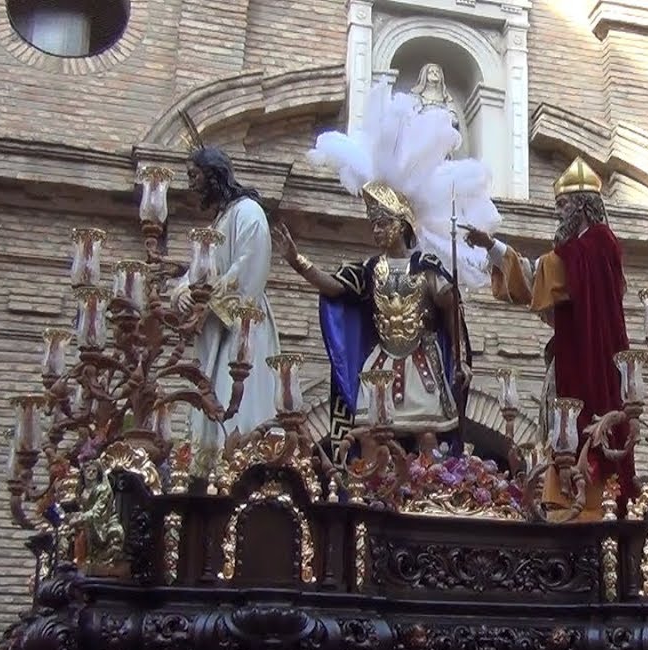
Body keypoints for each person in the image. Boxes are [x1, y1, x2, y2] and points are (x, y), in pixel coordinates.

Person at [285, 85, 501, 461]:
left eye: (383, 223)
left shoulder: (426, 266)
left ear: (402, 225)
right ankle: (373, 480)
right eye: (374, 224)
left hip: (423, 360)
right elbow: (335, 288)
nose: (377, 230)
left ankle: (429, 486)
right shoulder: (371, 269)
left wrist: (461, 356)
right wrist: (297, 261)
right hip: (383, 363)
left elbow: (451, 309)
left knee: (429, 434)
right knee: (372, 433)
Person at [464, 157, 634, 521]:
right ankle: (563, 500)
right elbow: (543, 284)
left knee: (579, 424)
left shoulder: (595, 245)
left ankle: (585, 504)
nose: (558, 215)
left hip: (588, 361)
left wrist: (493, 245)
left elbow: (536, 277)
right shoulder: (581, 252)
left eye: (563, 206)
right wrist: (495, 249)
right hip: (575, 352)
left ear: (583, 206)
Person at [171, 146, 283, 470]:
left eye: (194, 175)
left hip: (241, 329)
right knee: (209, 403)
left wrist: (206, 301)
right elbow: (197, 272)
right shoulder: (218, 223)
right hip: (214, 335)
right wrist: (181, 295)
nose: (191, 184)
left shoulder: (248, 212)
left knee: (236, 402)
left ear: (213, 174)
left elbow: (248, 269)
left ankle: (238, 467)